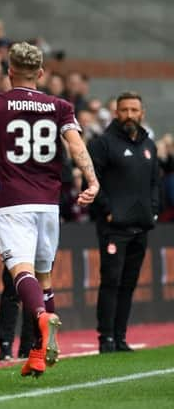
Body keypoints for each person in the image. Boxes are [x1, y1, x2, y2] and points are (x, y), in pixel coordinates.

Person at [0, 42, 99, 377]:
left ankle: (41, 316)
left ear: (9, 71)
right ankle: (38, 354)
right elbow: (76, 145)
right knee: (45, 277)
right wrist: (92, 181)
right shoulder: (60, 106)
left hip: (15, 203)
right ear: (41, 73)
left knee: (20, 273)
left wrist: (1, 143)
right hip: (49, 204)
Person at [87, 91, 159, 353]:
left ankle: (120, 336)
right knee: (111, 281)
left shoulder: (150, 146)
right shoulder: (102, 144)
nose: (129, 115)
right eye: (124, 110)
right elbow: (91, 181)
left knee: (129, 283)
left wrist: (153, 210)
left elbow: (154, 183)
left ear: (142, 113)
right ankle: (105, 337)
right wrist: (107, 210)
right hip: (113, 227)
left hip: (141, 226)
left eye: (134, 110)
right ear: (116, 113)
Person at [0, 265, 34, 361]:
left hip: (38, 253)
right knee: (11, 292)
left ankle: (28, 347)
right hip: (16, 253)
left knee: (34, 295)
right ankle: (6, 344)